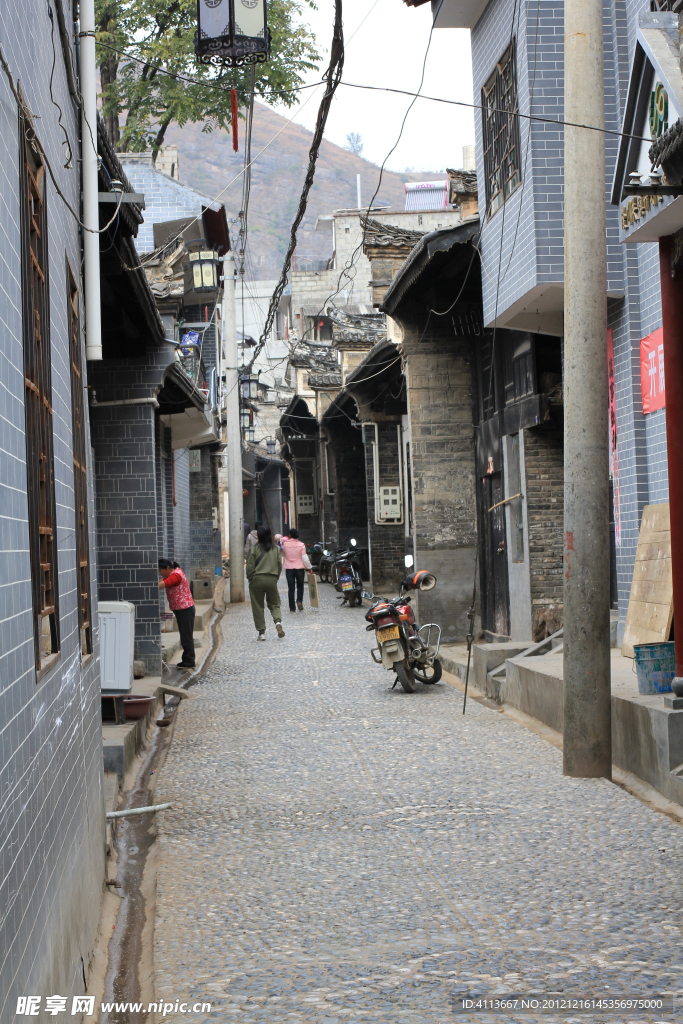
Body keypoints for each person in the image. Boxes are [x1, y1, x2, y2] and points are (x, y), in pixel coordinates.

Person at [246, 525, 285, 641]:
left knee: (258, 606)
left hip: (257, 580)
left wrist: (250, 578)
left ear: (259, 536)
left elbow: (249, 566)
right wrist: (275, 577)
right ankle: (278, 622)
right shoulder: (276, 549)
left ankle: (262, 633)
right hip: (272, 579)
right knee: (274, 603)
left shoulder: (254, 549)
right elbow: (279, 565)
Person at [158, 558, 196, 668]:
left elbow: (165, 583)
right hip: (182, 609)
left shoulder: (176, 575)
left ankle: (189, 661)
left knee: (186, 636)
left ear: (168, 568)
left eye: (162, 570)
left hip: (185, 609)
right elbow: (163, 581)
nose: (161, 573)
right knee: (185, 635)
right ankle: (187, 659)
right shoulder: (173, 574)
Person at [281, 528, 312, 613]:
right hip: (300, 569)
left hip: (289, 569)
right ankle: (299, 601)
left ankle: (292, 607)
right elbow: (304, 558)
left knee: (291, 588)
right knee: (300, 586)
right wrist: (309, 568)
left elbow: (282, 553)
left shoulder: (285, 544)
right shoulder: (301, 545)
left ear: (290, 535)